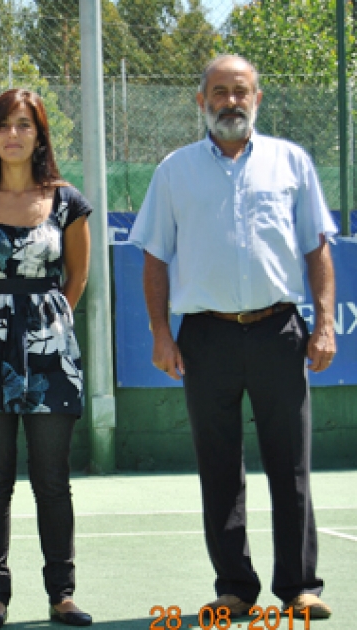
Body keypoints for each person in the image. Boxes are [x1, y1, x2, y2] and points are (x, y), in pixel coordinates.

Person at [128, 54, 335, 620]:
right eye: (219, 92)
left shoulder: (291, 162)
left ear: (257, 99)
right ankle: (235, 588)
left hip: (279, 331)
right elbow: (153, 255)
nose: (231, 101)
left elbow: (317, 246)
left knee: (290, 464)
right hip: (205, 337)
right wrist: (160, 333)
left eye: (241, 91)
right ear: (201, 102)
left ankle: (299, 588)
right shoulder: (174, 171)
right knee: (219, 466)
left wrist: (325, 322)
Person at [0, 88, 92, 628]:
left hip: (51, 354)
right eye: (4, 124)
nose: (13, 134)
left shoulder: (67, 201)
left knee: (52, 479)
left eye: (24, 125)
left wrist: (46, 319)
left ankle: (63, 594)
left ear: (39, 134)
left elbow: (76, 276)